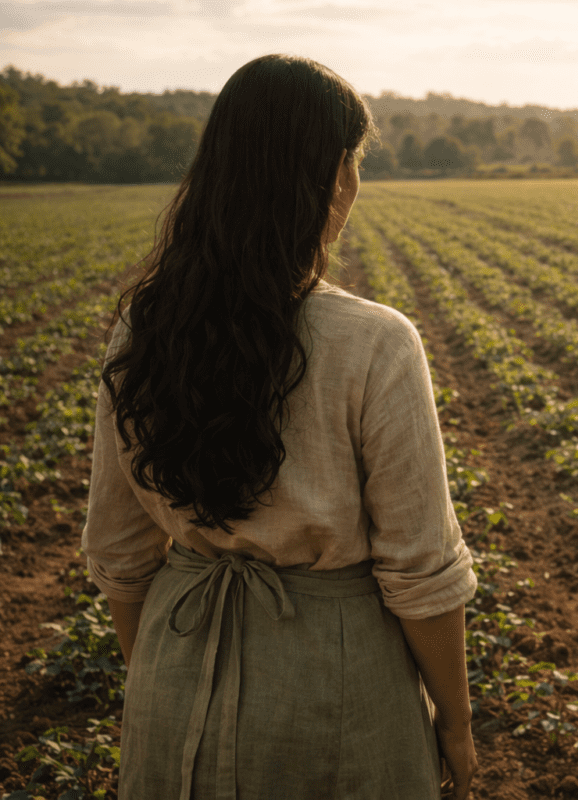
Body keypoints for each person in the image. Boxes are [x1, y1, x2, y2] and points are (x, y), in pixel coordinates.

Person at [81, 54, 478, 800]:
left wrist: (160, 682)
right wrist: (454, 722)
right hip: (336, 685)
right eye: (352, 162)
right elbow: (421, 574)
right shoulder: (376, 342)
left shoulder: (144, 326)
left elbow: (120, 553)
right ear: (332, 179)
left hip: (175, 665)